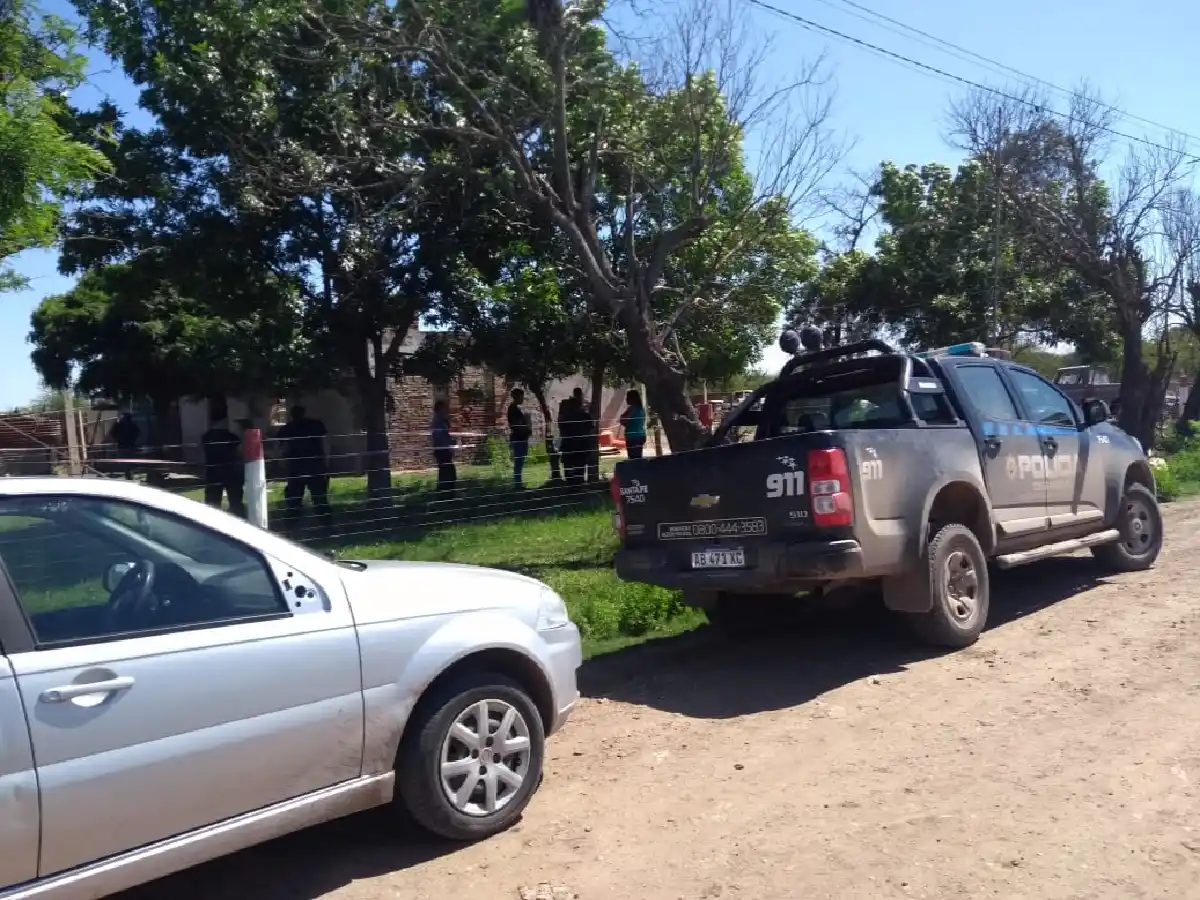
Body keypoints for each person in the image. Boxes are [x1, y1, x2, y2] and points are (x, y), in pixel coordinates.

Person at [275, 405, 333, 530]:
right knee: (320, 496)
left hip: (296, 466)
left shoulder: (287, 428)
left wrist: (283, 464)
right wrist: (326, 461)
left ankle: (292, 524)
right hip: (315, 464)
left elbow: (280, 448)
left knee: (294, 498)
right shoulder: (316, 425)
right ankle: (325, 524)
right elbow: (325, 443)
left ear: (291, 415)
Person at [201, 411, 245, 517]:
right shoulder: (231, 437)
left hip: (213, 471)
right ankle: (238, 519)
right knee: (235, 502)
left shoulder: (206, 437)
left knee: (212, 503)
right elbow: (240, 452)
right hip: (231, 471)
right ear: (225, 420)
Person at [558, 390, 589, 486]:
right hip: (578, 444)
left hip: (569, 443)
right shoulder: (583, 415)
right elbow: (589, 427)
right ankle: (577, 484)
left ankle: (571, 485)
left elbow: (562, 428)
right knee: (578, 466)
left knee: (569, 466)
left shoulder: (564, 416)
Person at [506, 388, 533, 489]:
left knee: (520, 462)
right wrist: (527, 423)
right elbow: (517, 425)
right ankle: (518, 484)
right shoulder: (513, 409)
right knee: (518, 462)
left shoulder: (515, 409)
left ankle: (518, 483)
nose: (523, 398)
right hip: (518, 438)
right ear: (517, 397)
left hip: (520, 438)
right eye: (522, 396)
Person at [431, 399, 457, 497]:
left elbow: (447, 434)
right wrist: (449, 441)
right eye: (444, 408)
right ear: (439, 409)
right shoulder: (438, 421)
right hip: (442, 450)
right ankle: (445, 494)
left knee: (448, 471)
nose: (446, 410)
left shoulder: (442, 420)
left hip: (444, 449)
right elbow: (439, 437)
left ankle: (447, 493)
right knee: (447, 472)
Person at [620, 389, 647, 459]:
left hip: (633, 437)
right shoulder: (641, 409)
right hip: (640, 435)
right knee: (638, 457)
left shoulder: (632, 409)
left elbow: (623, 420)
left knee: (633, 458)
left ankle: (636, 469)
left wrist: (623, 419)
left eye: (627, 397)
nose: (626, 399)